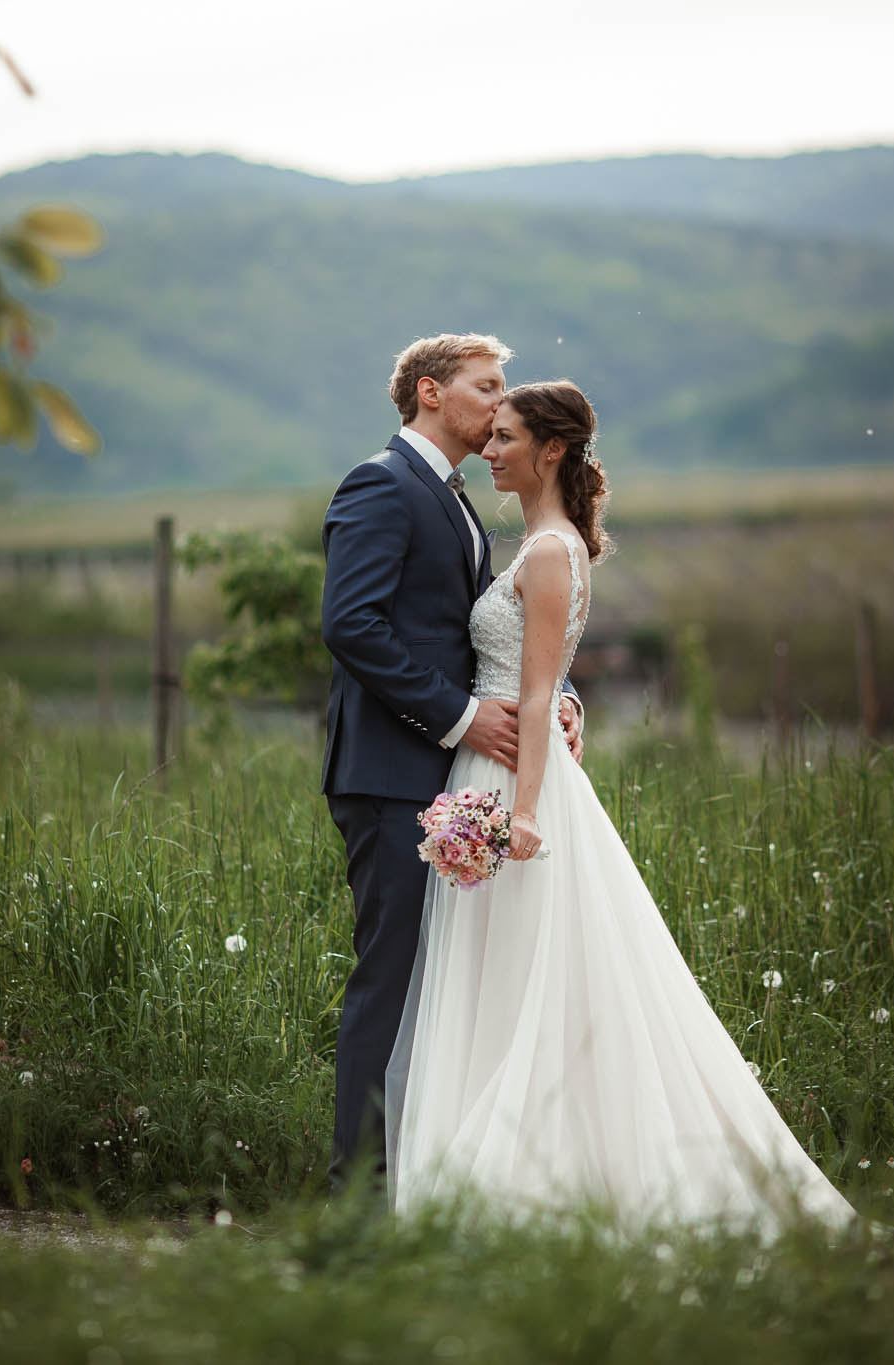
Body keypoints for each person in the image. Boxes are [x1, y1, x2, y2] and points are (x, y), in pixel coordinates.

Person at [384, 380, 858, 1235]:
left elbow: (533, 694)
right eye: (489, 437)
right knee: (503, 975)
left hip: (511, 781)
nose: (489, 450)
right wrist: (561, 709)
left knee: (531, 975)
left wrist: (521, 812)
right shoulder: (539, 544)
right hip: (488, 768)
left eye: (506, 437)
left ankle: (522, 1183)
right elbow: (548, 681)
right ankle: (496, 1171)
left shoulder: (550, 552)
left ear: (552, 450)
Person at [319, 334, 584, 1193]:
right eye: (486, 387)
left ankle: (430, 1179)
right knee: (389, 982)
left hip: (450, 782)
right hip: (391, 773)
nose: (499, 404)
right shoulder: (381, 483)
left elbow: (488, 641)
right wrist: (467, 718)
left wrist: (558, 702)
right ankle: (358, 1193)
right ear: (431, 392)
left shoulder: (461, 503)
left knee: (443, 990)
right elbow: (352, 625)